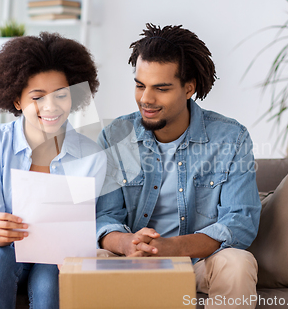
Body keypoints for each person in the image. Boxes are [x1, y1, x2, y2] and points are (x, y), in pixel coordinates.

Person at [96, 24, 261, 308]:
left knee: (238, 262)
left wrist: (170, 248)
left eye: (161, 88)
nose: (146, 99)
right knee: (93, 261)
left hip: (199, 263)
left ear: (189, 88)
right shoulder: (115, 136)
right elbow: (104, 216)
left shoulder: (231, 138)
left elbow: (240, 222)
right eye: (140, 85)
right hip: (133, 260)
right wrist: (129, 244)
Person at [0, 32, 107, 309]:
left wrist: (77, 250)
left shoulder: (93, 156)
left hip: (53, 260)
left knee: (51, 276)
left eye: (61, 95)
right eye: (37, 97)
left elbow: (88, 225)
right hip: (1, 256)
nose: (50, 106)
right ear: (17, 101)